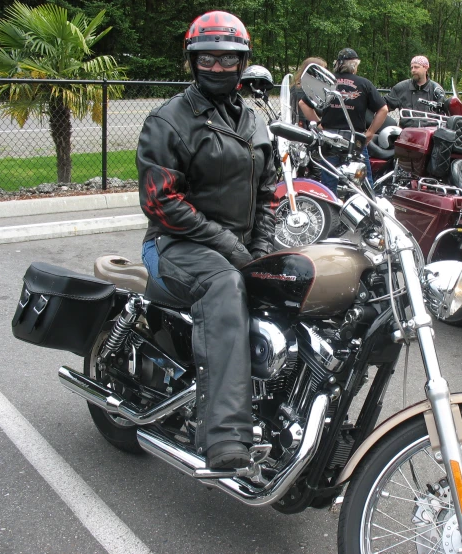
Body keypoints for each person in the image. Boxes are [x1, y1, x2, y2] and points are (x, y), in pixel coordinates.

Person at [136, 11, 276, 470]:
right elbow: (162, 203)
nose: (218, 67)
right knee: (224, 284)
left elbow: (268, 194)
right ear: (192, 61)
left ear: (243, 61)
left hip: (234, 246)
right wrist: (230, 248)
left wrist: (260, 250)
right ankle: (223, 438)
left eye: (228, 58)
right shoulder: (169, 120)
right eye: (208, 58)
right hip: (174, 246)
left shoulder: (254, 122)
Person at [299, 48, 389, 194]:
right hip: (355, 139)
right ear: (355, 65)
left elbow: (303, 104)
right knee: (364, 183)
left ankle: (330, 213)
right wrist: (371, 132)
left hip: (329, 139)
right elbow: (383, 109)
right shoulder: (364, 84)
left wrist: (319, 123)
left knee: (329, 184)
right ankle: (367, 212)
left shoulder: (327, 82)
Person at [384, 56, 446, 128]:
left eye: (416, 67)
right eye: (412, 67)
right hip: (406, 134)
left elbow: (444, 116)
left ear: (425, 68)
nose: (413, 70)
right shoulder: (401, 88)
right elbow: (384, 106)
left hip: (430, 134)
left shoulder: (436, 90)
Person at [290, 57, 327, 128]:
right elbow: (303, 112)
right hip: (307, 128)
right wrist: (319, 123)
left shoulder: (304, 86)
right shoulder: (301, 89)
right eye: (322, 70)